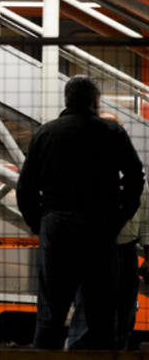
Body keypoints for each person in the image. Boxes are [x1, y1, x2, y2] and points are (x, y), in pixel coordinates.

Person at [17, 75, 145, 350]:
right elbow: (136, 175)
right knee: (100, 310)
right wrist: (122, 213)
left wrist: (38, 222)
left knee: (51, 310)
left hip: (57, 225)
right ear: (94, 101)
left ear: (67, 100)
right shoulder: (111, 132)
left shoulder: (45, 133)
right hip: (99, 226)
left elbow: (25, 187)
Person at [67, 112, 149, 350]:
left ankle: (114, 349)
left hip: (123, 251)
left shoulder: (129, 171)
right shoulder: (85, 170)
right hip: (93, 249)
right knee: (87, 312)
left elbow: (146, 215)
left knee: (123, 313)